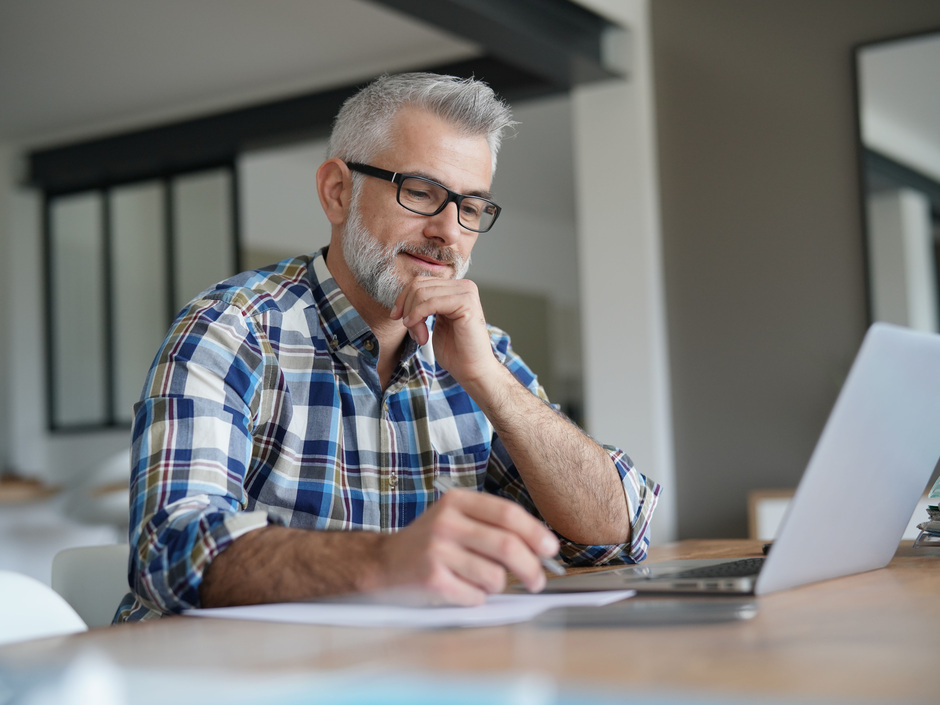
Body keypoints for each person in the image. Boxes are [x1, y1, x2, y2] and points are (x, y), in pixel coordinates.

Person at [116, 72, 661, 621]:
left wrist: (490, 381)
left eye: (470, 207)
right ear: (338, 192)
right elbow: (169, 550)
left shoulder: (483, 352)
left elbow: (616, 536)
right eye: (421, 192)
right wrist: (387, 560)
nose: (449, 231)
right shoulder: (231, 328)